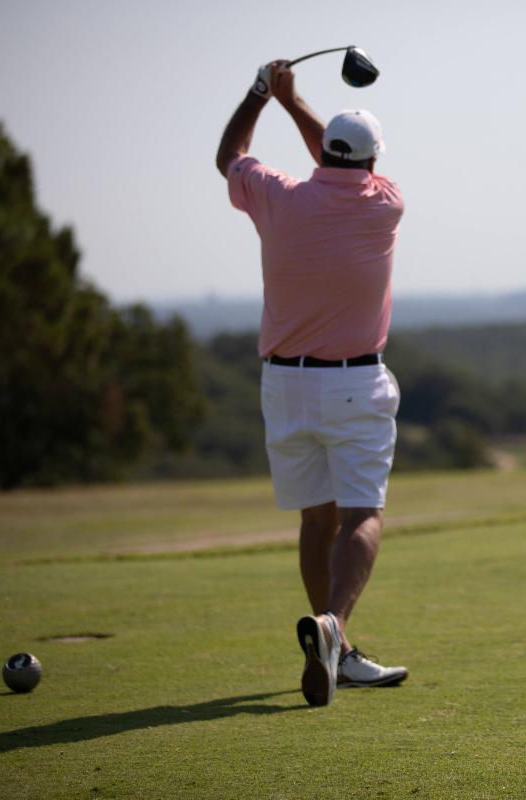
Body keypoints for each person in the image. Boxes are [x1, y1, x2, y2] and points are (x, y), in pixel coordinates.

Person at [216, 60, 408, 707]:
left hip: (284, 386)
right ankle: (334, 627)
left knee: (316, 517)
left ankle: (339, 655)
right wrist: (298, 105)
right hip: (354, 382)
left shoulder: (277, 196)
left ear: (324, 155)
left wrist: (264, 94)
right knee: (362, 514)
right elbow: (338, 160)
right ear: (373, 160)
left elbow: (229, 156)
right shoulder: (384, 203)